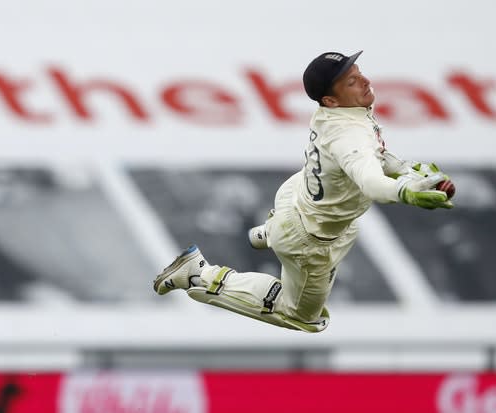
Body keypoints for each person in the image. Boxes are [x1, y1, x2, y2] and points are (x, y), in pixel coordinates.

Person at [153, 51, 454, 332]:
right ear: (330, 100)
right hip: (309, 238)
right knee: (304, 317)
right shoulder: (349, 134)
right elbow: (371, 182)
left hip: (296, 198)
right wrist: (407, 191)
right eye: (352, 81)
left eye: (360, 73)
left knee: (343, 228)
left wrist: (407, 170)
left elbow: (373, 155)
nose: (365, 81)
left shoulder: (340, 113)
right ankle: (197, 274)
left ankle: (269, 233)